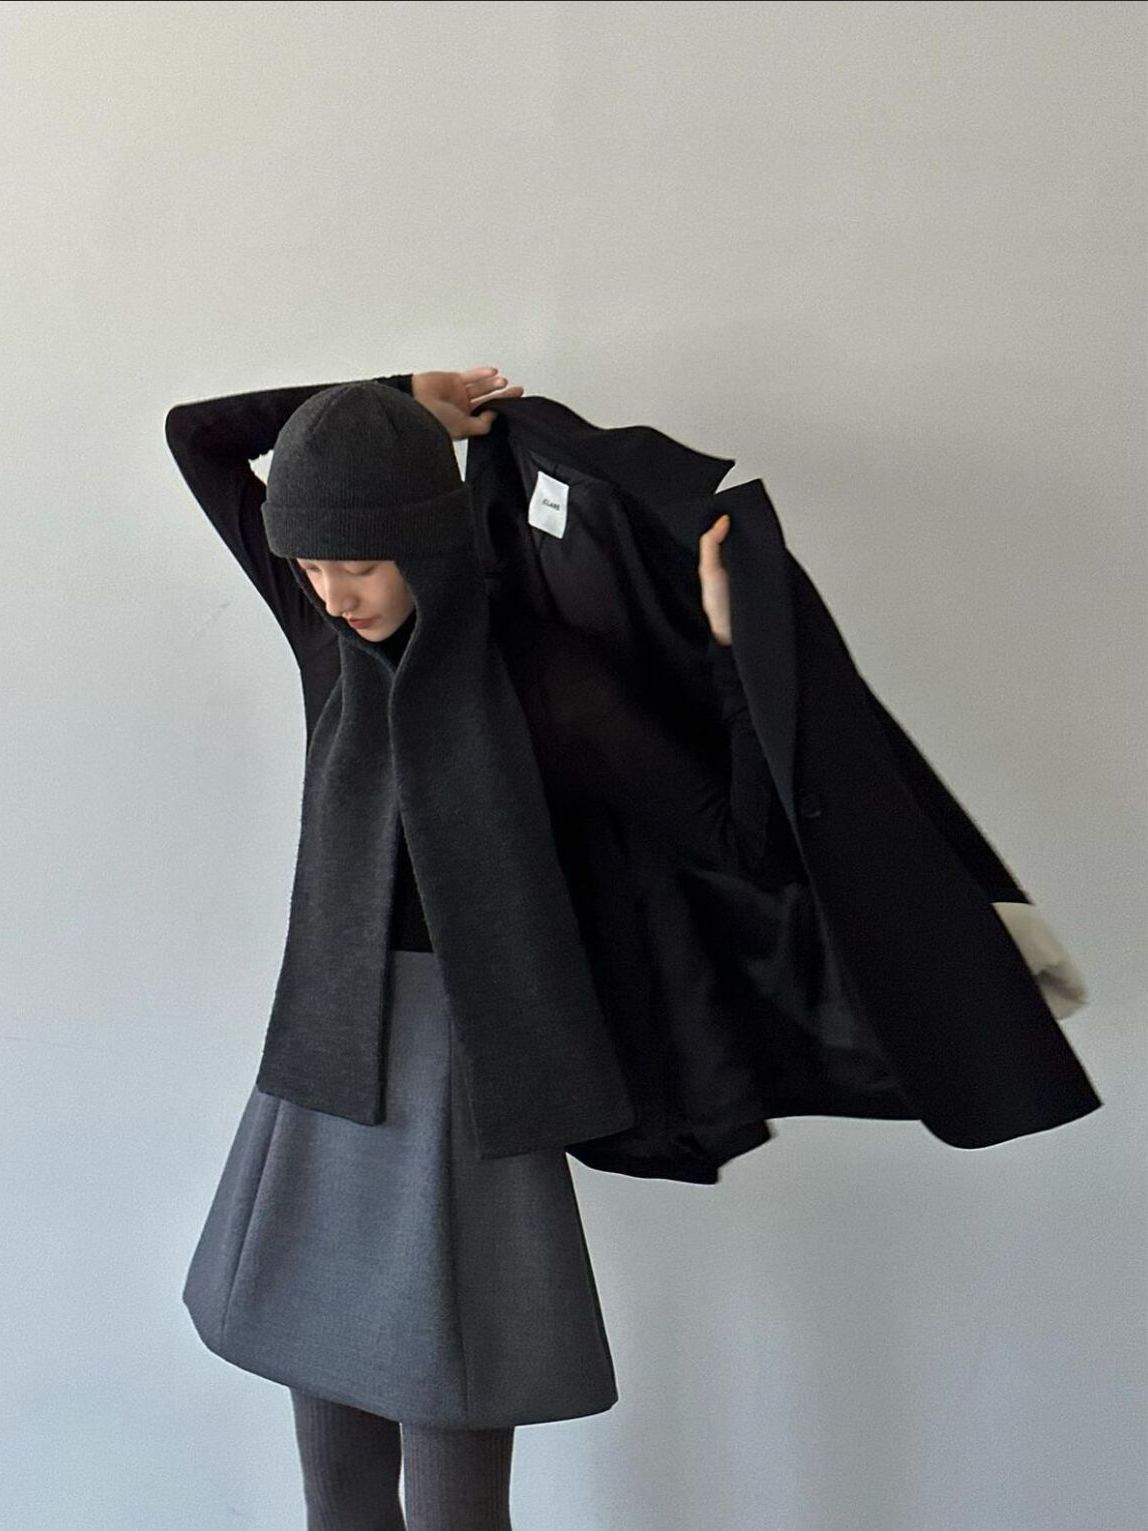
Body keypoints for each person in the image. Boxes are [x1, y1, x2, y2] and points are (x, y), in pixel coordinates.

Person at [164, 365, 770, 1531]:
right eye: (310, 565)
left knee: (456, 1482)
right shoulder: (323, 633)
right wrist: (402, 397)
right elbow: (195, 435)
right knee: (337, 1477)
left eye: (357, 563)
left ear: (425, 537)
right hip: (324, 1068)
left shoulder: (543, 676)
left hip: (471, 1081)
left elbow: (732, 836)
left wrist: (736, 653)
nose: (332, 592)